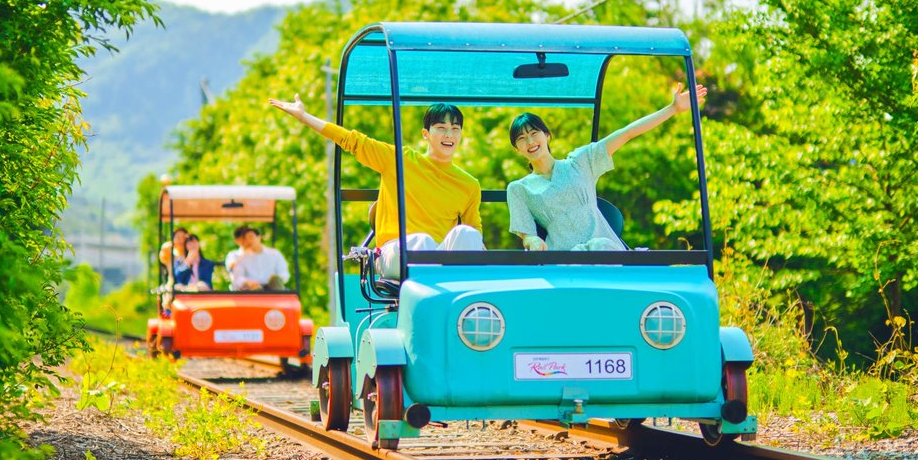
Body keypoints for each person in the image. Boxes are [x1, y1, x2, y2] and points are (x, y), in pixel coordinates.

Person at [269, 94, 484, 278]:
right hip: (395, 253)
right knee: (421, 242)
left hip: (438, 257)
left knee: (467, 234)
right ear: (425, 134)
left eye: (455, 129)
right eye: (441, 128)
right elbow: (352, 141)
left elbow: (475, 237)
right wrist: (304, 117)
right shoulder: (399, 159)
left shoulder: (469, 185)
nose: (449, 135)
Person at [507, 82, 707, 251]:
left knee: (600, 246)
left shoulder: (579, 161)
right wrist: (532, 240)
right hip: (565, 260)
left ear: (547, 135)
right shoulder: (519, 189)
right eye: (522, 138)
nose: (530, 141)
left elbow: (627, 133)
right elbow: (526, 235)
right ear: (517, 148)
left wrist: (672, 109)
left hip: (606, 254)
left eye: (534, 133)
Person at [231, 226, 289, 291]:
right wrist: (248, 283)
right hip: (252, 290)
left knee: (275, 281)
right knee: (256, 290)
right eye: (245, 239)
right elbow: (238, 278)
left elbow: (284, 273)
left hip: (273, 289)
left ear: (259, 237)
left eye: (251, 237)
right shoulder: (241, 259)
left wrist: (277, 280)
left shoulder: (275, 254)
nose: (249, 241)